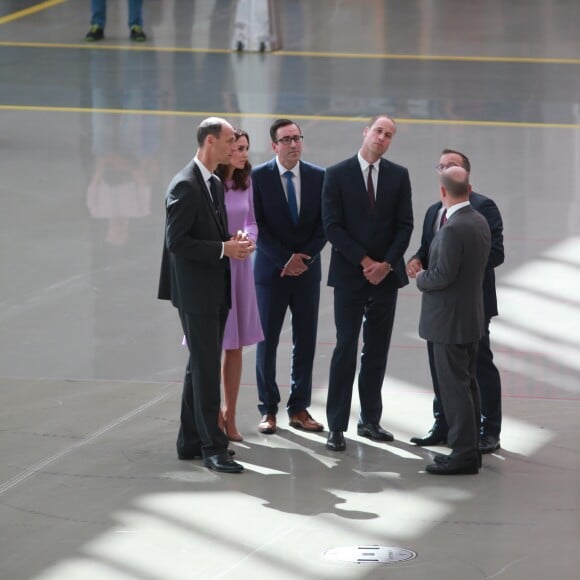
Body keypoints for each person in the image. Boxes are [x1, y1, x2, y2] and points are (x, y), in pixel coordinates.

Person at [158, 117, 254, 474]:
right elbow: (177, 242)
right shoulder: (185, 185)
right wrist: (222, 249)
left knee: (198, 365)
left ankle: (189, 442)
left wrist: (233, 241)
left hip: (213, 288)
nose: (235, 146)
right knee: (205, 366)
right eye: (230, 140)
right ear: (211, 142)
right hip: (196, 292)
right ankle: (214, 448)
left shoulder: (213, 183)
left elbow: (214, 231)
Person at [322, 115, 414, 452]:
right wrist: (365, 262)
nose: (383, 138)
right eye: (378, 131)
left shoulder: (398, 175)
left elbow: (405, 225)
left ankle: (370, 420)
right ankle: (336, 427)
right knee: (345, 349)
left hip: (385, 279)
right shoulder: (336, 174)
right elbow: (332, 227)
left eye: (389, 135)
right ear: (365, 132)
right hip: (350, 276)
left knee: (376, 351)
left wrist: (386, 265)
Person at [407, 149, 504, 454]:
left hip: (470, 302)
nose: (446, 168)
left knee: (478, 368)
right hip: (441, 306)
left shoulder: (481, 208)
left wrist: (446, 272)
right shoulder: (436, 210)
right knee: (444, 370)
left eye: (453, 165)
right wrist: (416, 260)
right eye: (442, 165)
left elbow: (495, 252)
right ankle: (445, 423)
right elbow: (428, 248)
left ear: (466, 175)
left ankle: (487, 430)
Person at [252, 118, 326, 435]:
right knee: (266, 342)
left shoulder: (319, 176)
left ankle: (299, 408)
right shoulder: (257, 177)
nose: (293, 144)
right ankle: (268, 409)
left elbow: (326, 223)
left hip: (306, 273)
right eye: (286, 140)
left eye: (297, 138)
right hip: (271, 272)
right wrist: (285, 259)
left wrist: (302, 259)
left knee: (305, 340)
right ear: (274, 145)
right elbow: (256, 225)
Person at [214, 129, 264, 441]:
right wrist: (226, 243)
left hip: (241, 266)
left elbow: (252, 222)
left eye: (246, 148)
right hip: (218, 265)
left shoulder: (246, 182)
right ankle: (212, 415)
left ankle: (229, 416)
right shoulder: (212, 184)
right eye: (238, 148)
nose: (244, 154)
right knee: (214, 344)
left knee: (236, 348)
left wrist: (249, 239)